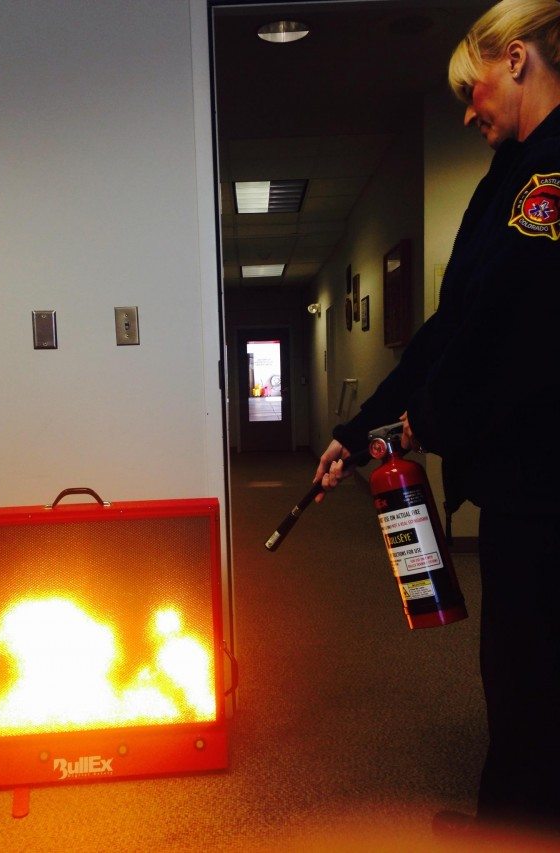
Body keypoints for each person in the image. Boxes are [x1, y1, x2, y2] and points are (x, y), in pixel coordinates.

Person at [313, 0, 560, 838]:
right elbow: (454, 326)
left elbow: (524, 342)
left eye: (474, 87)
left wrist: (425, 421)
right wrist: (362, 427)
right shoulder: (507, 178)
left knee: (529, 675)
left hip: (549, 482)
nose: (468, 109)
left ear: (518, 59)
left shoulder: (553, 178)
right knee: (521, 670)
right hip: (521, 481)